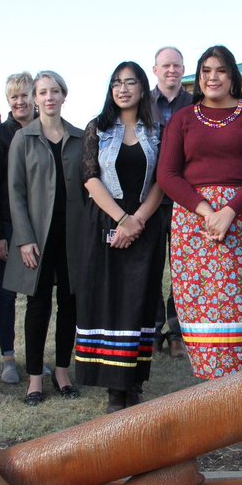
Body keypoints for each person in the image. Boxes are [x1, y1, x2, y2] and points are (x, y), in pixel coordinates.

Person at [156, 45, 242, 378]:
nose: (213, 77)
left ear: (232, 76)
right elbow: (167, 174)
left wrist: (230, 211)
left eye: (221, 70)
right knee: (206, 303)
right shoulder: (182, 119)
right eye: (206, 71)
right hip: (195, 221)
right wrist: (207, 211)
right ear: (198, 77)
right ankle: (212, 381)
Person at [75, 62, 167, 412]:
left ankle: (135, 381)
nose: (123, 88)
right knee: (110, 299)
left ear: (143, 88)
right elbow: (90, 177)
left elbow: (162, 179)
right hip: (106, 220)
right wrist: (122, 220)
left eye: (130, 82)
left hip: (146, 222)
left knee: (140, 299)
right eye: (117, 83)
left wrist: (138, 220)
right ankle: (114, 387)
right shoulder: (97, 129)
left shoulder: (159, 130)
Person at [2, 71, 84, 405]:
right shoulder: (23, 139)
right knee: (37, 305)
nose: (49, 97)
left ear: (64, 96)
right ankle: (35, 377)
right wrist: (23, 238)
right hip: (37, 235)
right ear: (34, 99)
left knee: (70, 303)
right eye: (42, 92)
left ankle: (62, 370)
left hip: (73, 235)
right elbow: (15, 191)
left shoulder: (79, 138)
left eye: (55, 91)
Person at [0, 73, 37, 385]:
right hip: (8, 225)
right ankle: (7, 358)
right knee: (6, 292)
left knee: (36, 295)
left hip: (40, 225)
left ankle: (36, 357)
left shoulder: (47, 130)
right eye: (14, 97)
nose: (19, 102)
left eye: (24, 95)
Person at [150, 46, 193, 357]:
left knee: (182, 268)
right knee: (150, 267)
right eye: (165, 65)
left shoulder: (194, 103)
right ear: (155, 70)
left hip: (184, 198)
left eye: (176, 65)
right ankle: (152, 330)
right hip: (149, 199)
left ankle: (177, 331)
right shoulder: (140, 103)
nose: (171, 71)